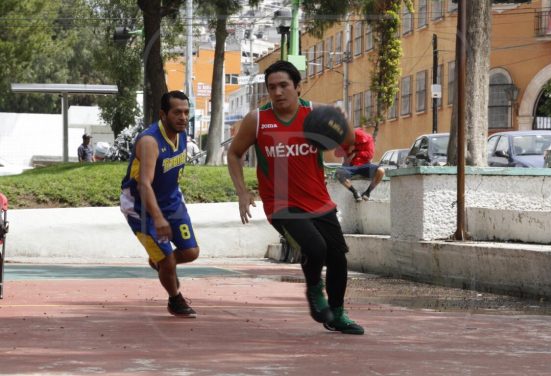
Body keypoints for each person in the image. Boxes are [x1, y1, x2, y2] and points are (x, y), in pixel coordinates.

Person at [227, 60, 364, 335]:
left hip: (318, 200)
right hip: (281, 204)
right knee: (315, 248)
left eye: (283, 86)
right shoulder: (257, 120)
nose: (277, 92)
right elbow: (233, 153)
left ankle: (337, 314)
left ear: (298, 87)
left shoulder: (314, 115)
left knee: (338, 257)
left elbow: (347, 142)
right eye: (271, 87)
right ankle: (315, 289)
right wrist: (242, 192)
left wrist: (342, 129)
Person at [120, 91, 200, 318]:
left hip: (171, 201)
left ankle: (161, 262)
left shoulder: (182, 135)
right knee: (167, 260)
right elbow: (144, 184)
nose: (183, 117)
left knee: (191, 252)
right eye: (177, 112)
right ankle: (175, 299)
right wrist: (158, 218)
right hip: (140, 208)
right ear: (163, 114)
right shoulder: (149, 141)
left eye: (186, 112)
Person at [334, 127, 385, 202]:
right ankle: (355, 192)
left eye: (360, 142)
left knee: (381, 171)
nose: (357, 143)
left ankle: (367, 192)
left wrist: (356, 153)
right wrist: (348, 150)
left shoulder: (368, 139)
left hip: (364, 165)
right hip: (351, 167)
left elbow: (370, 154)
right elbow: (336, 153)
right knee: (338, 172)